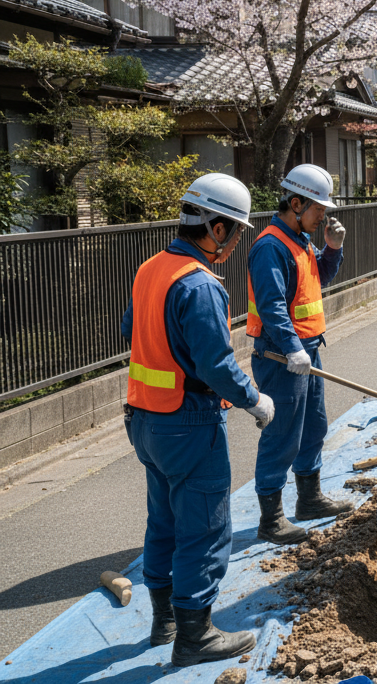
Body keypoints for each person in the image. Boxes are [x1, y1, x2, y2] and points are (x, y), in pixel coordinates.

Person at [122, 173, 274, 667]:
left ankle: (164, 620)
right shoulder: (200, 284)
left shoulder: (151, 269)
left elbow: (133, 330)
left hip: (144, 418)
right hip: (188, 422)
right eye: (233, 230)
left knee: (163, 520)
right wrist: (254, 398)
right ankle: (195, 636)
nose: (232, 243)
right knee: (205, 528)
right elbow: (215, 364)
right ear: (216, 227)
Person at [247, 163, 351, 544]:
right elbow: (273, 308)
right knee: (282, 434)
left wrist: (332, 249)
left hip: (306, 352)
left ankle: (309, 499)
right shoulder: (270, 247)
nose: (322, 216)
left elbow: (315, 280)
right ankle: (270, 519)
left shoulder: (301, 240)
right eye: (318, 211)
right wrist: (292, 348)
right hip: (281, 357)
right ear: (295, 203)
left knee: (313, 426)